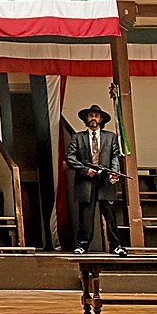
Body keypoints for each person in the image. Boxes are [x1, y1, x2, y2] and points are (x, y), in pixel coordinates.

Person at [67, 105, 127, 257]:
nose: (93, 118)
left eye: (96, 116)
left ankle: (117, 246)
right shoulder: (77, 137)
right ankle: (82, 245)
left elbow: (115, 156)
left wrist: (114, 173)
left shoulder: (111, 137)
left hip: (105, 180)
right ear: (86, 119)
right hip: (86, 181)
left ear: (101, 120)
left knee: (110, 216)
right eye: (90, 115)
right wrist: (85, 170)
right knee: (86, 216)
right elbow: (70, 158)